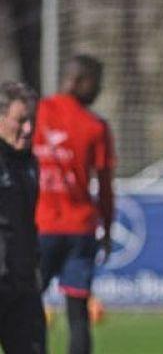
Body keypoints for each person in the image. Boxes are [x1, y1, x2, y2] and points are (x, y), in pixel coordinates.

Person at [33, 54, 115, 354]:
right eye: (97, 83)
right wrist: (106, 228)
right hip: (80, 230)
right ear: (80, 81)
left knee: (26, 307)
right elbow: (105, 186)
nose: (99, 91)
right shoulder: (95, 126)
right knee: (78, 314)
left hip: (40, 228)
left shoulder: (37, 112)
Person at [0, 81, 45, 354]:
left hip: (22, 283)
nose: (28, 129)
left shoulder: (30, 163)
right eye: (20, 121)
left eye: (32, 120)